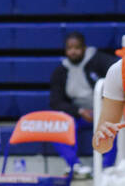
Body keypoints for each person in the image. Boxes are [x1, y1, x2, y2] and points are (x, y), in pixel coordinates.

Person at [50, 32, 117, 176]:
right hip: (79, 114)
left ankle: (106, 169)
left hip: (103, 111)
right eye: (69, 48)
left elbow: (117, 73)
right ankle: (75, 166)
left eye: (77, 47)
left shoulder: (98, 60)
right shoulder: (60, 71)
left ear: (84, 48)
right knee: (57, 128)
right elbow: (56, 102)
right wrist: (80, 111)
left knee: (113, 127)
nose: (73, 51)